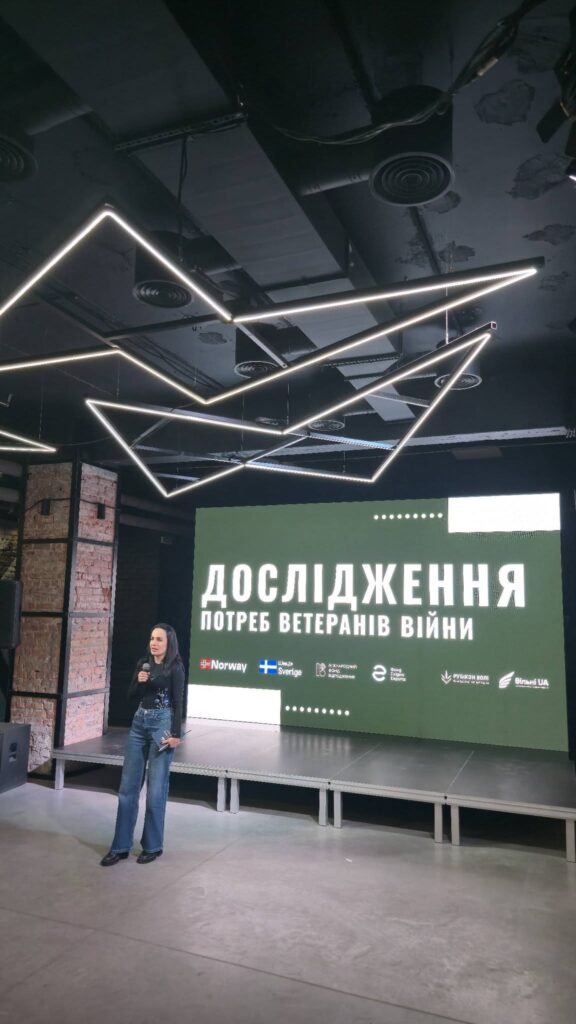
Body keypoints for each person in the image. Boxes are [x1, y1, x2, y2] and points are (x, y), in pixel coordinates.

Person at [100, 623, 185, 866]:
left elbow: (178, 702)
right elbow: (130, 696)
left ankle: (152, 846)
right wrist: (139, 681)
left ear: (169, 643)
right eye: (152, 638)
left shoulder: (175, 668)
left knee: (156, 790)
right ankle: (120, 847)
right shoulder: (143, 664)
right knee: (128, 789)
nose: (154, 643)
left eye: (159, 639)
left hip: (162, 726)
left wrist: (176, 734)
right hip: (139, 724)